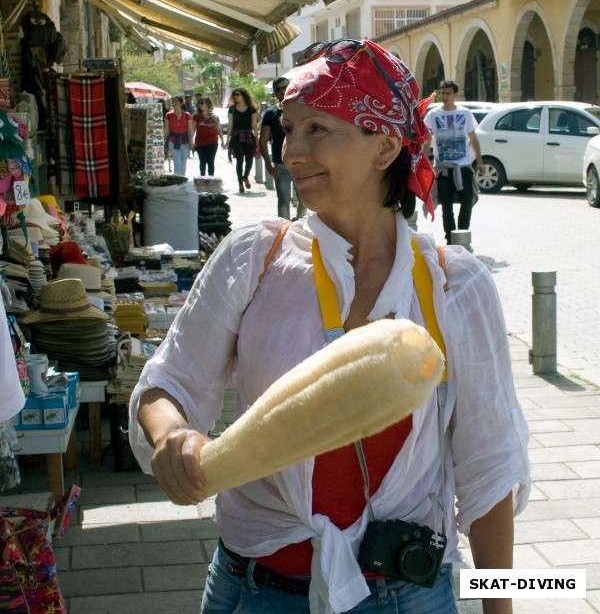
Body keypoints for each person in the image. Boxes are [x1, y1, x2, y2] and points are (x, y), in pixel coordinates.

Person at [130, 39, 530, 614]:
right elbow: (169, 380)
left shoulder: (454, 287)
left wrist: (503, 608)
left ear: (386, 144)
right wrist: (171, 434)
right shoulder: (256, 259)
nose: (292, 151)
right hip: (257, 591)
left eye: (318, 129)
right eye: (289, 128)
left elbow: (488, 468)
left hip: (410, 595)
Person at [424, 81, 485, 245]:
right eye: (442, 93)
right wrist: (425, 163)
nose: (445, 97)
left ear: (455, 95)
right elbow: (426, 140)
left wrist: (479, 162)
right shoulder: (433, 115)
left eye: (448, 93)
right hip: (443, 168)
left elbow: (473, 138)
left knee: (467, 200)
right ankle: (450, 239)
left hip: (463, 166)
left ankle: (462, 235)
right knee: (446, 205)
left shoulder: (465, 114)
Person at [259, 76, 307, 220]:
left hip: (301, 163)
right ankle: (284, 231)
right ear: (274, 92)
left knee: (305, 199)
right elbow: (263, 140)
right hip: (280, 164)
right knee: (283, 200)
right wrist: (268, 163)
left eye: (285, 87)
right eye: (278, 89)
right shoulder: (270, 114)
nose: (282, 91)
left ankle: (299, 224)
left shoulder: (302, 110)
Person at [224, 87, 259, 194]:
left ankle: (245, 176)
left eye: (238, 94)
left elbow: (254, 125)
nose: (236, 97)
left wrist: (257, 139)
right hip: (236, 137)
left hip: (249, 136)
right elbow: (230, 125)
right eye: (234, 95)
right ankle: (240, 184)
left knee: (249, 160)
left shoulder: (252, 109)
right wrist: (227, 140)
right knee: (239, 161)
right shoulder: (232, 109)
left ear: (243, 96)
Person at [193, 97, 225, 177]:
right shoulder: (197, 116)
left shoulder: (214, 117)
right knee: (202, 161)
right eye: (200, 103)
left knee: (210, 161)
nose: (200, 105)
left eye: (202, 103)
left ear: (207, 104)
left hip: (212, 142)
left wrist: (222, 141)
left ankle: (211, 178)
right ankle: (202, 177)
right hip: (200, 142)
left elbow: (219, 129)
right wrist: (191, 141)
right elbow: (193, 129)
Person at [164, 95, 194, 176]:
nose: (174, 104)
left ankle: (182, 180)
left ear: (181, 103)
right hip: (173, 141)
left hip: (184, 140)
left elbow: (190, 129)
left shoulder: (187, 115)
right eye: (173, 102)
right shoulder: (168, 115)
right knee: (177, 162)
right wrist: (162, 140)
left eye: (176, 102)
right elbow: (166, 130)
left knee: (183, 163)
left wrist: (191, 141)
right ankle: (177, 181)